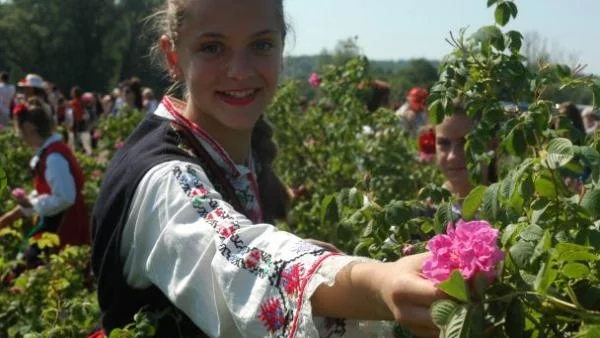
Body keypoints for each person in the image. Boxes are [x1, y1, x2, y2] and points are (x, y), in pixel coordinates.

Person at [91, 1, 443, 337]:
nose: (240, 70)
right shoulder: (163, 177)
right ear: (173, 56)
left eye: (261, 44)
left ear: (281, 48)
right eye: (212, 47)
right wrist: (378, 283)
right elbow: (234, 257)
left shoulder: (238, 151)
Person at [0, 99, 90, 268]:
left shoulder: (54, 157)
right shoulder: (51, 151)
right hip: (58, 221)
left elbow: (65, 197)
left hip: (64, 225)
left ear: (30, 129)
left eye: (20, 131)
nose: (20, 137)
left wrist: (33, 203)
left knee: (38, 266)